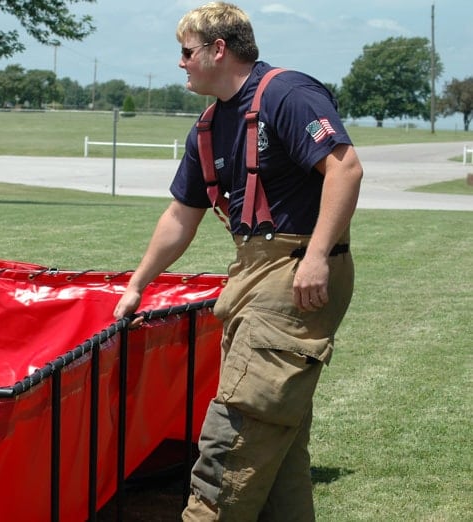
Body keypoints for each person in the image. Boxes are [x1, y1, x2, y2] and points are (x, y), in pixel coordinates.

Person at [112, 2, 363, 520]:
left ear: (217, 49)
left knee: (236, 434)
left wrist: (316, 256)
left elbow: (346, 169)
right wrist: (137, 284)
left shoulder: (289, 94)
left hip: (296, 273)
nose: (180, 63)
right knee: (278, 443)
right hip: (251, 273)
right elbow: (181, 215)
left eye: (186, 52)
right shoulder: (207, 127)